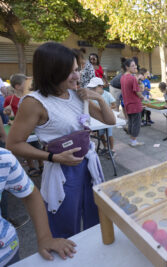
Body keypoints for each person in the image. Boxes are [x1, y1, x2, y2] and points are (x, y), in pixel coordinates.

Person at [6, 42, 116, 238]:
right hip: (62, 171)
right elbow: (13, 144)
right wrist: (53, 157)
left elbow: (109, 120)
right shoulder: (34, 102)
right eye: (71, 71)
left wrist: (97, 98)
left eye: (77, 69)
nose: (77, 76)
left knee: (94, 218)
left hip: (88, 165)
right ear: (52, 72)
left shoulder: (75, 93)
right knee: (65, 226)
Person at [0, 148, 77, 266]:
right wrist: (53, 157)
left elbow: (30, 195)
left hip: (6, 253)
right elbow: (14, 143)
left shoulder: (3, 158)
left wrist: (45, 237)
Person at [4, 74, 44, 177]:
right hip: (21, 128)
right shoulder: (10, 99)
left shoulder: (32, 97)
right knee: (26, 149)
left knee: (38, 147)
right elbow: (8, 114)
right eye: (25, 83)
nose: (29, 85)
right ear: (17, 86)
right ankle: (31, 167)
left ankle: (42, 165)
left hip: (33, 127)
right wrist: (8, 112)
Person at [87, 77, 117, 157]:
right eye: (91, 88)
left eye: (94, 88)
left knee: (109, 134)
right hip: (98, 120)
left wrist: (105, 110)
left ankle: (112, 149)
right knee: (101, 134)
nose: (92, 90)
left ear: (101, 87)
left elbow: (114, 105)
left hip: (108, 118)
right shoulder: (91, 96)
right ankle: (106, 147)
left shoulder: (107, 94)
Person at [120, 59, 145, 147]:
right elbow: (138, 92)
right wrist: (144, 97)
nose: (135, 67)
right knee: (136, 123)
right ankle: (134, 141)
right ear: (127, 67)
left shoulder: (123, 77)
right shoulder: (132, 78)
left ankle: (131, 140)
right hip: (134, 104)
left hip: (127, 103)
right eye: (133, 66)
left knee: (131, 122)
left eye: (135, 65)